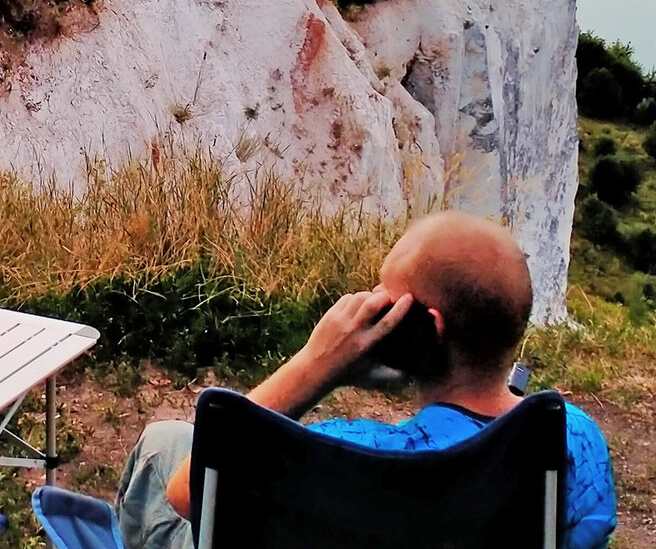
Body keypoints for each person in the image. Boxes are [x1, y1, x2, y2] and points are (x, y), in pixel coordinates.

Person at [116, 213, 616, 549]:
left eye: (387, 302)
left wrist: (317, 365)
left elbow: (186, 492)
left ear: (428, 327)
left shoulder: (346, 452)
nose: (372, 303)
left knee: (163, 446)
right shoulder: (570, 437)